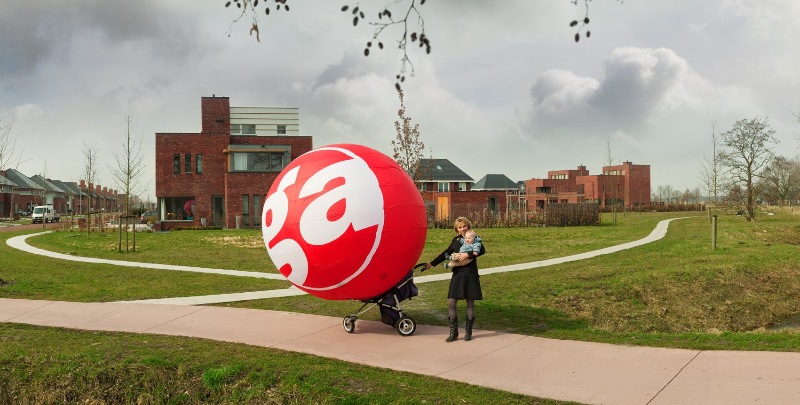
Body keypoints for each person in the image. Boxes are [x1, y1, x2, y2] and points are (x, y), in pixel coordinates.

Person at [424, 217, 485, 342]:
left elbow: (482, 250)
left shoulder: (473, 238)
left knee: (470, 302)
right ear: (457, 229)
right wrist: (432, 263)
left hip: (470, 274)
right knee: (451, 302)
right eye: (460, 227)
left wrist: (467, 254)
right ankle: (454, 333)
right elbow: (445, 253)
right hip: (457, 274)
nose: (463, 229)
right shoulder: (456, 241)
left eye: (464, 226)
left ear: (468, 226)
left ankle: (468, 332)